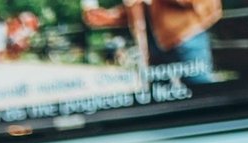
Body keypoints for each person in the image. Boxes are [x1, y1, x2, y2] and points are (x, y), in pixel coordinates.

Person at [83, 0, 221, 84]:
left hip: (187, 37)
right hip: (154, 44)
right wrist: (110, 17)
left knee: (202, 96)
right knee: (161, 102)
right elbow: (150, 8)